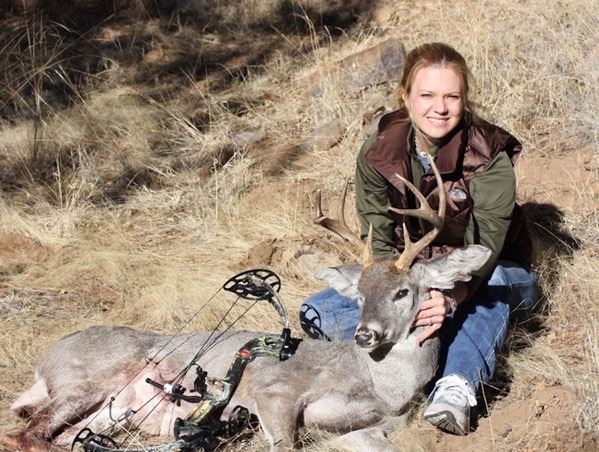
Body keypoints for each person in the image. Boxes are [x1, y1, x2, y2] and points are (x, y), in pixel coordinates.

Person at [299, 42, 537, 436]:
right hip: (412, 279)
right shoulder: (379, 153)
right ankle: (409, 359)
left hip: (490, 273)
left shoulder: (490, 158)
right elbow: (378, 242)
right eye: (427, 95)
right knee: (318, 310)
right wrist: (402, 290)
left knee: (491, 286)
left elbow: (485, 251)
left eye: (451, 97)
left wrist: (450, 298)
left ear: (464, 99)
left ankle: (454, 384)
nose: (439, 108)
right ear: (405, 96)